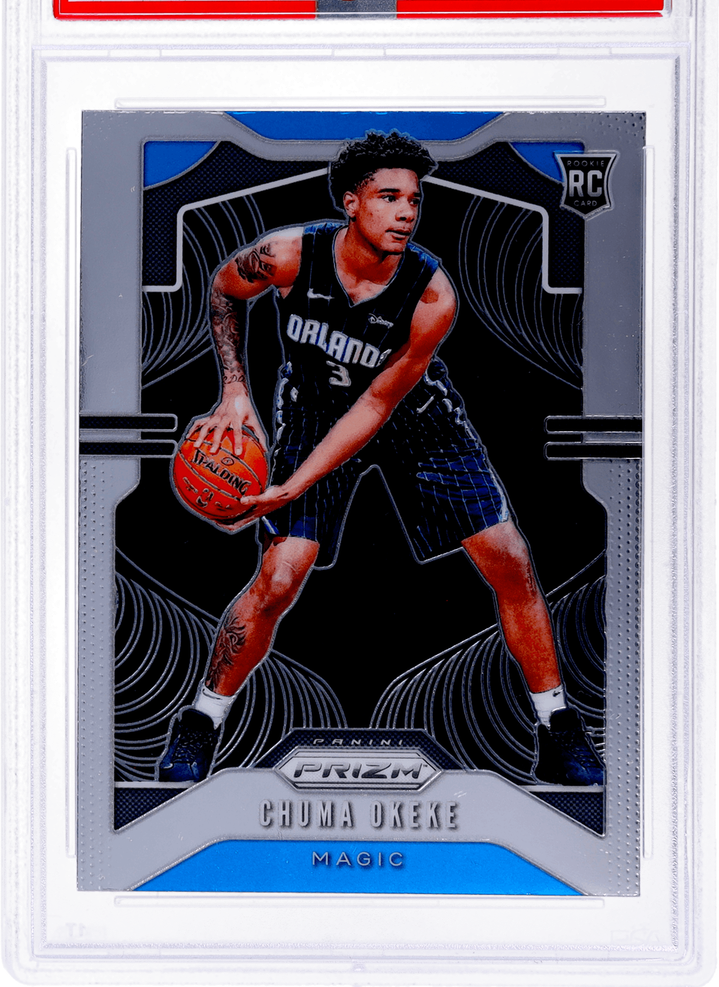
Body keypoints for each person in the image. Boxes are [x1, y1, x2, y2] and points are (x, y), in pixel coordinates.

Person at [157, 130, 604, 788]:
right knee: (278, 579)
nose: (405, 212)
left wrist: (293, 486)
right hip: (313, 412)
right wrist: (234, 391)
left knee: (509, 559)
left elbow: (374, 407)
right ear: (350, 202)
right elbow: (225, 288)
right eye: (388, 197)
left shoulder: (431, 294)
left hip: (416, 422)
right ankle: (200, 719)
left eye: (414, 200)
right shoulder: (287, 255)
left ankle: (557, 725)